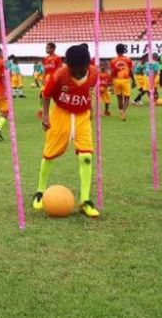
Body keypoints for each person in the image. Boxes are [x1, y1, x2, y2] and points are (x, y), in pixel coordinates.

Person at [31, 44, 100, 219]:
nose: (75, 72)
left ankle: (85, 200)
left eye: (79, 69)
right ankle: (40, 191)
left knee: (86, 156)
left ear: (87, 64)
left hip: (82, 117)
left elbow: (89, 92)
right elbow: (46, 95)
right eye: (72, 69)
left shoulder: (94, 73)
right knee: (49, 154)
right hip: (60, 115)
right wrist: (45, 116)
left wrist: (90, 110)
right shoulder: (60, 74)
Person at [109, 44, 134, 121]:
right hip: (125, 80)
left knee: (119, 97)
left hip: (117, 80)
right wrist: (134, 80)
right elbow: (130, 71)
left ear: (116, 50)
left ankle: (120, 112)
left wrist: (111, 84)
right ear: (124, 50)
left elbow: (112, 73)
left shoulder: (113, 61)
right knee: (127, 98)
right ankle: (123, 111)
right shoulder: (128, 60)